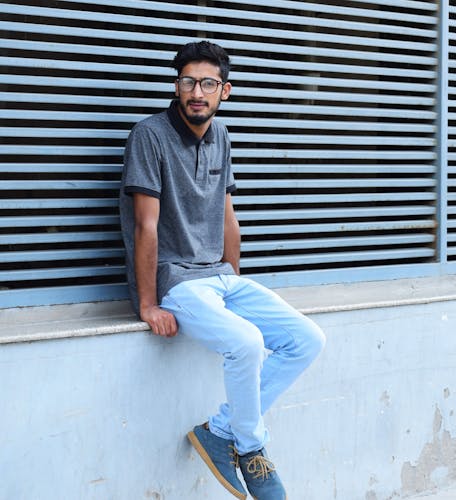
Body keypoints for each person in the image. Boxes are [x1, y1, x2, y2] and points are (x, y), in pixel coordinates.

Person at [119, 40, 325, 500]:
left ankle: (219, 431)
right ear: (176, 87)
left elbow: (228, 216)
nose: (198, 92)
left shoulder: (222, 136)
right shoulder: (149, 135)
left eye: (208, 83)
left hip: (218, 276)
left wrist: (232, 276)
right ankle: (252, 449)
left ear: (224, 91)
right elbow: (144, 225)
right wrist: (148, 302)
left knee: (308, 339)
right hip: (175, 278)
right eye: (189, 82)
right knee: (247, 343)